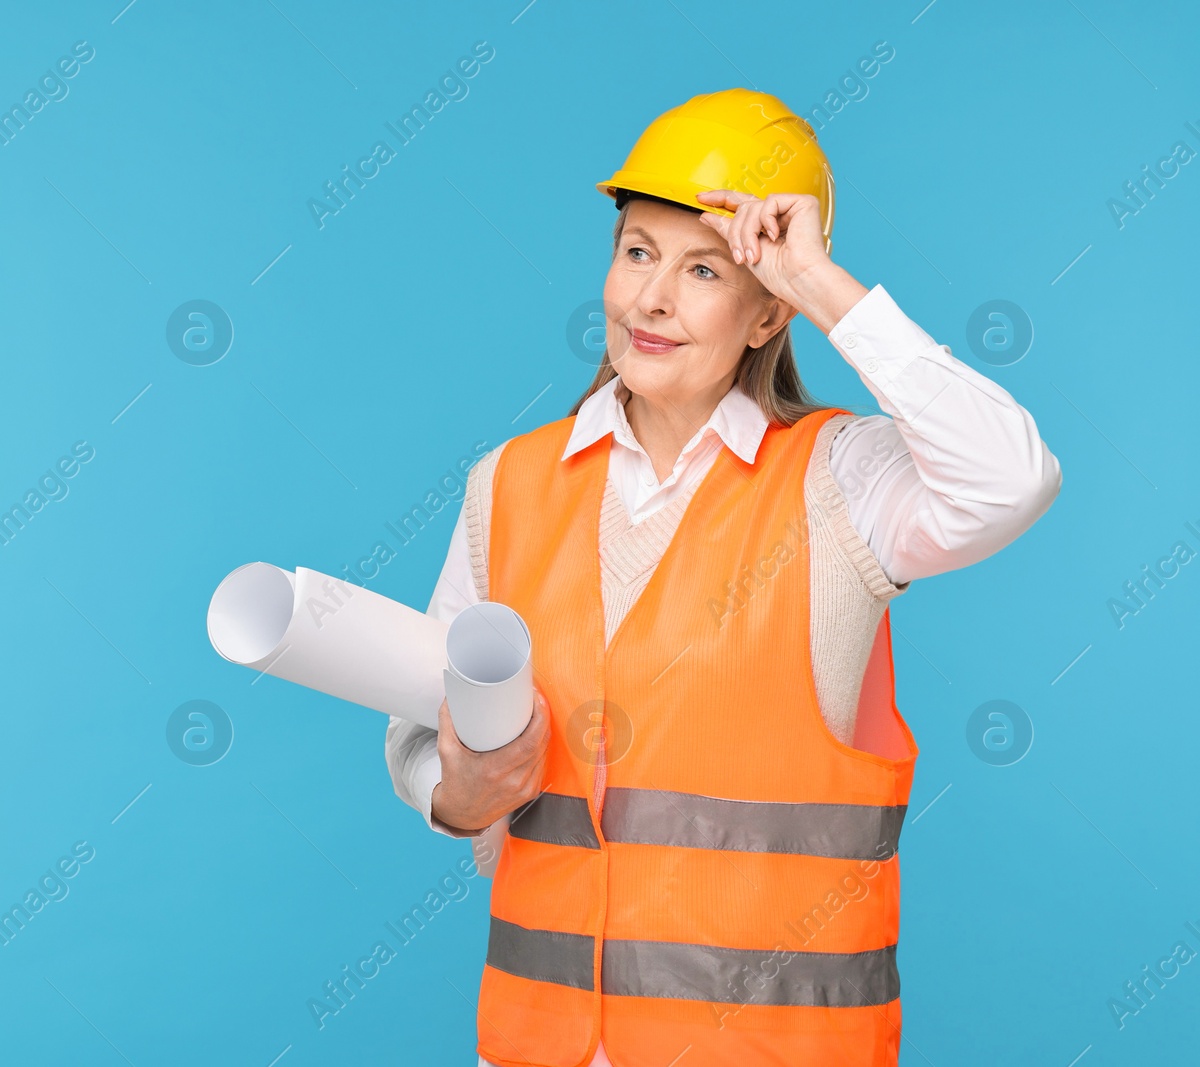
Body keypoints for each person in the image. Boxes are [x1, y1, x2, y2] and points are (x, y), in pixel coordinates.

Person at [384, 89, 1061, 1066]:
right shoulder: (509, 482)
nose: (651, 299)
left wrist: (819, 281)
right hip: (537, 1046)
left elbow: (1011, 477)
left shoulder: (839, 482)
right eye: (636, 252)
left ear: (763, 316)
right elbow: (417, 724)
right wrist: (455, 792)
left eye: (703, 268)